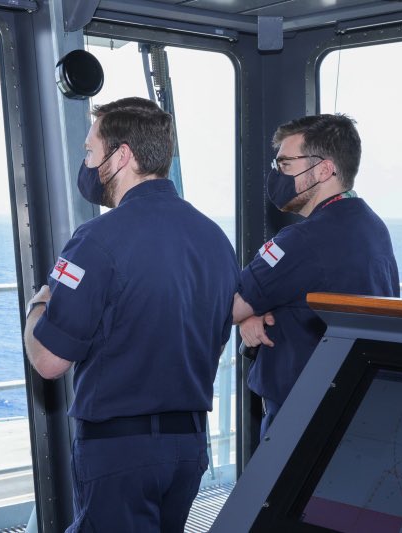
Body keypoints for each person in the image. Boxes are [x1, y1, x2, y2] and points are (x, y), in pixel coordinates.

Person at [23, 97, 239, 532]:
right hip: (188, 449)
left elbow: (49, 360)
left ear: (121, 156)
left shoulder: (97, 240)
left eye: (89, 152)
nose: (85, 164)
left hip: (119, 454)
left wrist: (38, 306)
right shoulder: (215, 239)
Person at [232, 113, 399, 439]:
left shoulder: (303, 241)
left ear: (323, 170)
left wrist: (247, 313)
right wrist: (256, 309)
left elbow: (231, 304)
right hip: (356, 403)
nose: (276, 176)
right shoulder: (371, 226)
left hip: (301, 415)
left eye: (285, 165)